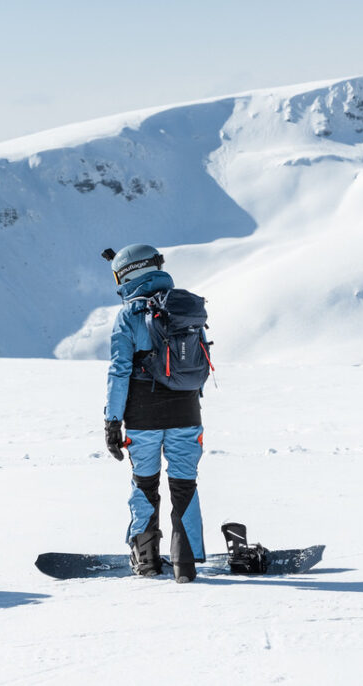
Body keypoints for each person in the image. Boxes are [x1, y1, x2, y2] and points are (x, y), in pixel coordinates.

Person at [102, 244, 208, 583]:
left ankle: (146, 561)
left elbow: (119, 372)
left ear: (128, 272)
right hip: (187, 411)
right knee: (184, 486)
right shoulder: (185, 306)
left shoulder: (129, 315)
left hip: (143, 416)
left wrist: (112, 422)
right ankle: (185, 566)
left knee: (145, 484)